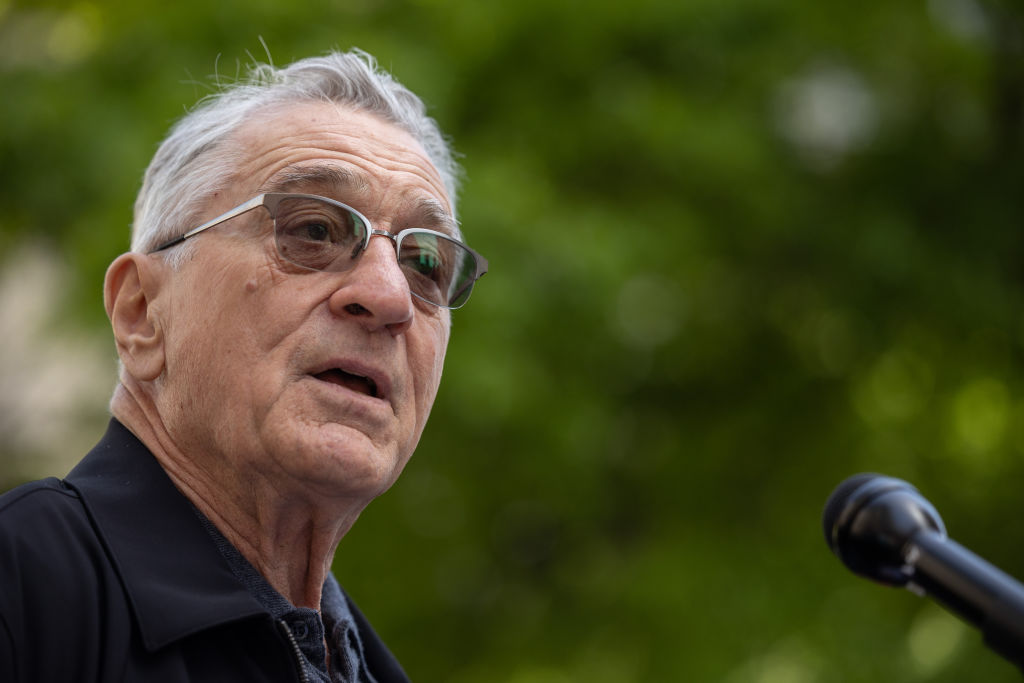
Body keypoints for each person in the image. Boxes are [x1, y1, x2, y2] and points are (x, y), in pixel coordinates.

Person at [0, 49, 487, 683]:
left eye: (426, 265)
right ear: (142, 313)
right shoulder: (23, 590)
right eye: (313, 230)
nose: (391, 297)